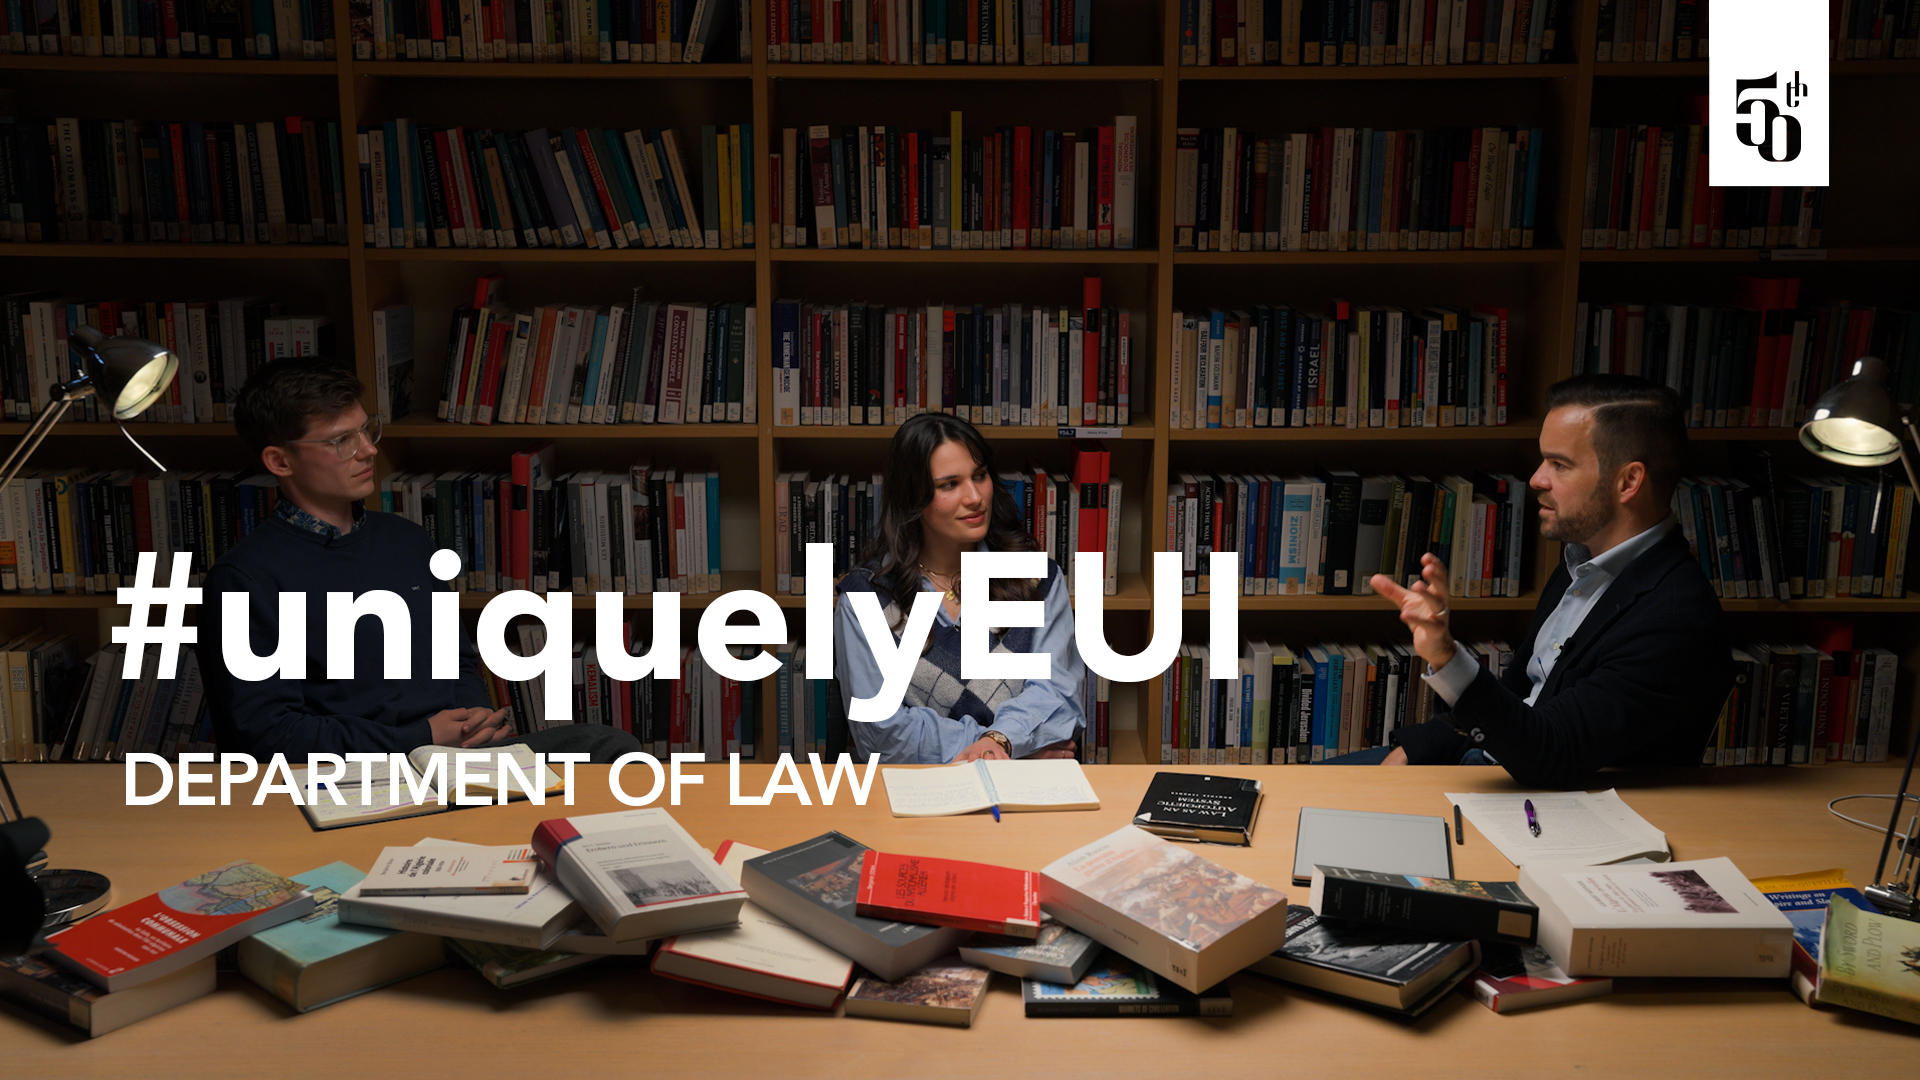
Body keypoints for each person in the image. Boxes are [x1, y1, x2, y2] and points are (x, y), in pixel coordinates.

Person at [199, 358, 640, 763]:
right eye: (340, 441)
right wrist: (419, 736)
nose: (368, 451)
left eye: (365, 431)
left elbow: (456, 658)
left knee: (612, 750)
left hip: (456, 755)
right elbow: (267, 736)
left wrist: (476, 721)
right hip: (361, 774)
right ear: (280, 461)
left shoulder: (406, 540)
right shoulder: (245, 579)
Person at [1352, 374, 1734, 788]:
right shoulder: (1581, 562)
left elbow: (1552, 753)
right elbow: (1520, 692)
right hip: (1484, 761)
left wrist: (1446, 657)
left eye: (1559, 464)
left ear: (1628, 481)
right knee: (1281, 801)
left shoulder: (1676, 617)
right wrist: (1418, 745)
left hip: (1546, 806)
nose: (1536, 479)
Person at [833, 413, 1086, 764]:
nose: (974, 497)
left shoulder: (1039, 579)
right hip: (915, 796)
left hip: (1024, 790)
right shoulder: (865, 598)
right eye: (949, 484)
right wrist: (999, 746)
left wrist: (1000, 742)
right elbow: (880, 732)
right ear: (913, 497)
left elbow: (1059, 695)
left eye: (979, 476)